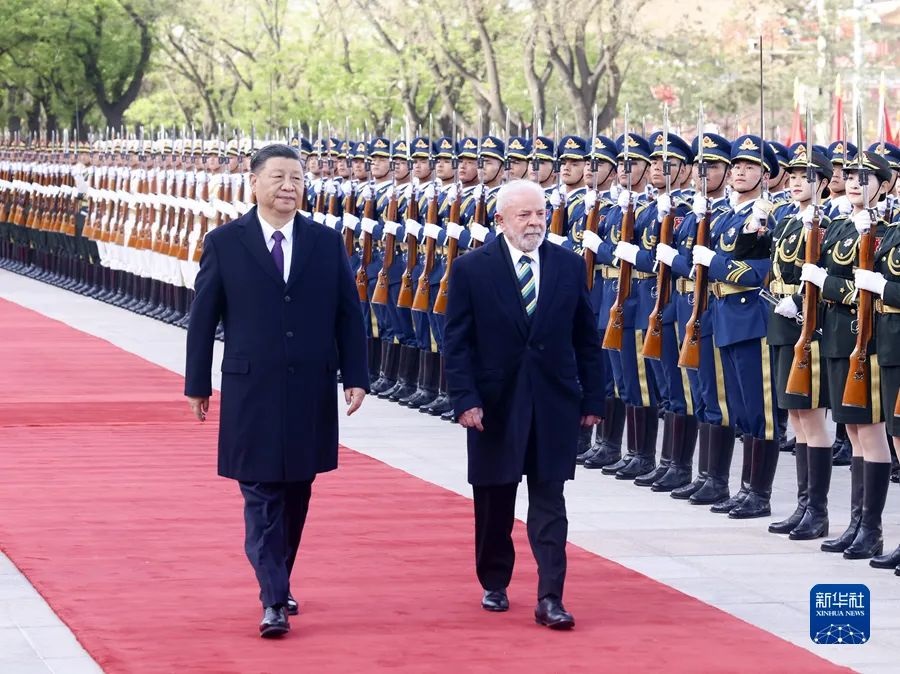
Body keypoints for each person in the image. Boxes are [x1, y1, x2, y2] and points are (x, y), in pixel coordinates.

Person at [184, 142, 369, 638]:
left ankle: (279, 577)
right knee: (261, 493)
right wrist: (197, 383)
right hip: (252, 390)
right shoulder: (225, 241)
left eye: (297, 179)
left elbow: (348, 314)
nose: (289, 187)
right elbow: (203, 318)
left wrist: (356, 376)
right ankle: (273, 598)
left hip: (309, 386)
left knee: (297, 490)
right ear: (254, 183)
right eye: (279, 178)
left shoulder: (325, 242)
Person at [443, 179, 605, 629]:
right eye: (524, 216)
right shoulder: (473, 269)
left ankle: (551, 595)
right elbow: (456, 342)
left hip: (554, 402)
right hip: (495, 404)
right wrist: (465, 399)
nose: (535, 223)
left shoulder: (569, 266)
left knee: (550, 499)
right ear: (500, 220)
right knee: (495, 497)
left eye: (540, 214)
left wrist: (593, 397)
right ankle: (495, 580)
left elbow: (586, 339)